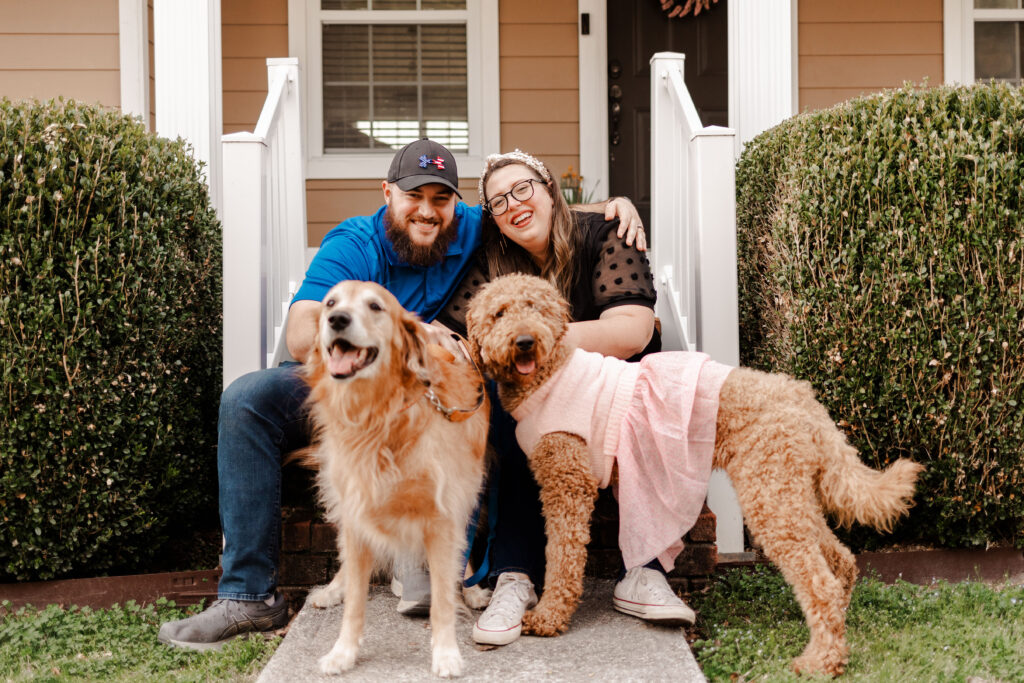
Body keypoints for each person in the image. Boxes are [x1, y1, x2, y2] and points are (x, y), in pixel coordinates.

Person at [157, 138, 644, 651]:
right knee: (246, 400)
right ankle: (247, 595)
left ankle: (472, 564)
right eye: (414, 196)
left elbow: (522, 208)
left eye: (441, 199)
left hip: (428, 400)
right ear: (387, 192)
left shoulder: (469, 226)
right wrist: (402, 333)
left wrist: (615, 206)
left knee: (491, 392)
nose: (428, 212)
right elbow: (302, 334)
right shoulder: (354, 244)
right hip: (353, 385)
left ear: (457, 205)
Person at [437, 149, 695, 647]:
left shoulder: (605, 233)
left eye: (523, 189)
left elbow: (632, 331)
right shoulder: (493, 258)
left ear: (550, 189)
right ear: (491, 217)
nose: (513, 204)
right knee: (508, 394)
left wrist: (534, 336)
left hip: (614, 386)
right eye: (498, 201)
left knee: (630, 399)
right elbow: (459, 335)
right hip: (540, 404)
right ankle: (514, 575)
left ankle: (642, 569)